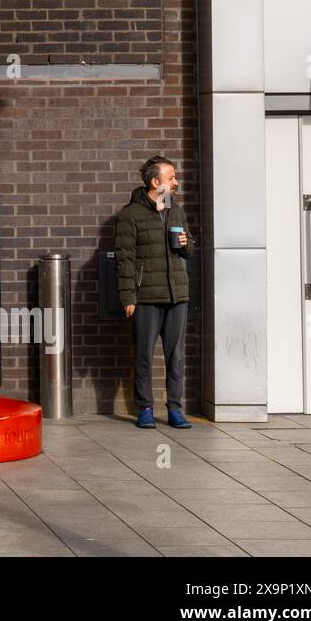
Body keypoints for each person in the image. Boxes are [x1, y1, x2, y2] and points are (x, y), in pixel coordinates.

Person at [115, 155, 195, 429]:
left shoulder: (176, 210)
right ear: (155, 182)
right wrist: (128, 297)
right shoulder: (130, 215)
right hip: (146, 295)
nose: (176, 181)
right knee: (144, 355)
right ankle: (145, 408)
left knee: (176, 355)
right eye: (171, 177)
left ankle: (175, 409)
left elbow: (189, 249)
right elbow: (125, 259)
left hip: (176, 295)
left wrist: (186, 244)